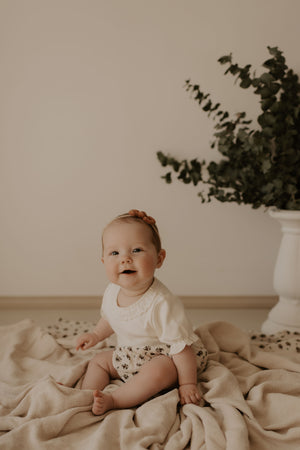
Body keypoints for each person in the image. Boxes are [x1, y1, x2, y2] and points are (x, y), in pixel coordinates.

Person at [76, 209, 208, 415]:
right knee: (98, 361)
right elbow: (111, 318)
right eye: (114, 253)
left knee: (158, 370)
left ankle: (116, 400)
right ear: (103, 261)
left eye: (136, 250)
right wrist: (95, 335)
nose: (125, 259)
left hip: (167, 357)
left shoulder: (162, 303)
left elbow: (180, 348)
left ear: (159, 258)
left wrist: (188, 384)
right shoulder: (112, 292)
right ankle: (86, 396)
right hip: (129, 356)